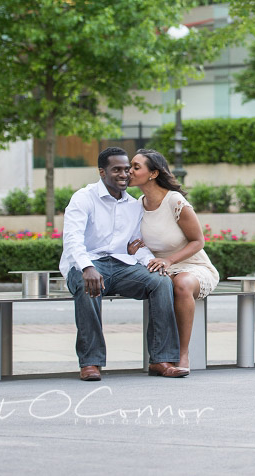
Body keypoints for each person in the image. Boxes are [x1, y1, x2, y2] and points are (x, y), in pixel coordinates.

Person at [60, 146, 189, 380]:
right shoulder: (83, 197)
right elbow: (72, 239)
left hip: (121, 266)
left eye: (126, 169)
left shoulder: (132, 205)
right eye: (116, 169)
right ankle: (90, 362)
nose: (123, 174)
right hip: (89, 265)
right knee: (86, 284)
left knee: (160, 282)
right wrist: (87, 267)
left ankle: (161, 359)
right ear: (102, 172)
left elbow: (135, 244)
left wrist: (152, 262)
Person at [126, 148, 219, 373]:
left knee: (182, 283)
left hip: (194, 266)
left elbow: (198, 241)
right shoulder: (137, 205)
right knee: (162, 284)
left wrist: (169, 260)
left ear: (153, 174)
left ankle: (183, 354)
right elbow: (137, 243)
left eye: (136, 167)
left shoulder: (174, 201)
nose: (129, 171)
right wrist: (130, 248)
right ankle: (159, 357)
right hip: (161, 269)